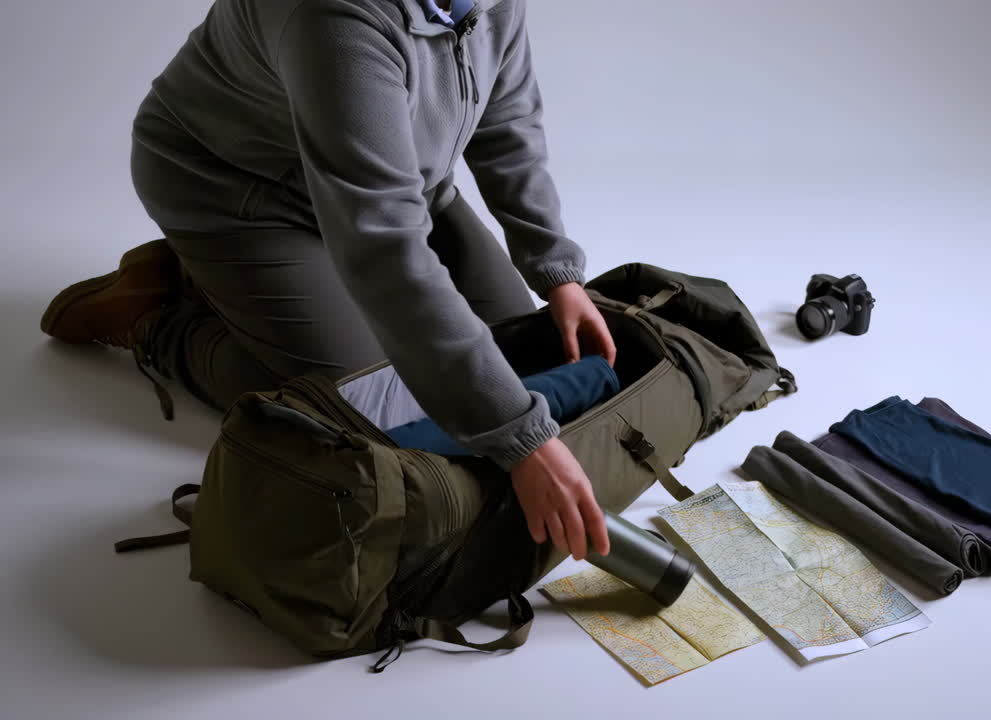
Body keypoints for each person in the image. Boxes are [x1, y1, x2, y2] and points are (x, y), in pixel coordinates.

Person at [40, 0, 613, 560]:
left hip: (392, 185)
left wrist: (557, 273)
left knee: (516, 349)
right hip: (242, 192)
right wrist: (522, 440)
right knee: (362, 405)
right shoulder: (332, 15)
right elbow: (386, 253)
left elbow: (509, 124)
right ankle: (162, 317)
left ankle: (247, 293)